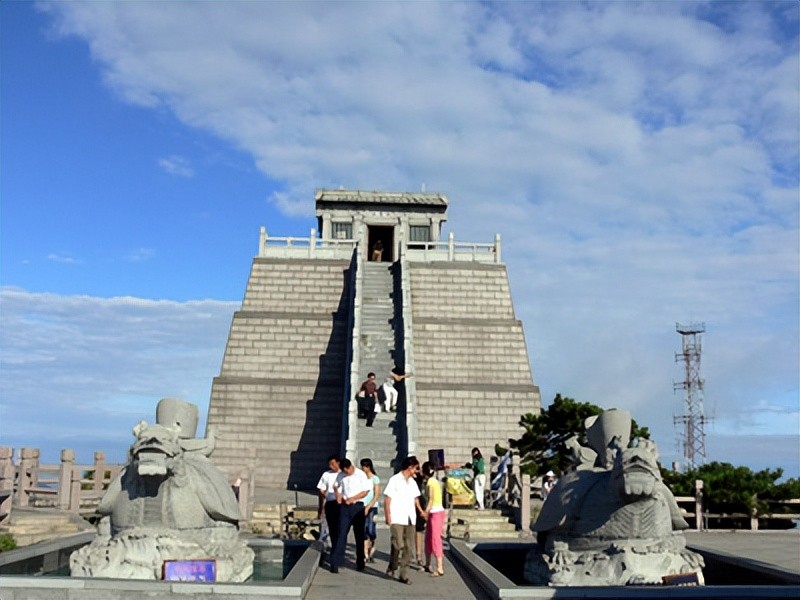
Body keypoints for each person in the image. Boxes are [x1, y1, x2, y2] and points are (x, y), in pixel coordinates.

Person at [383, 456, 423, 584]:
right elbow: (387, 499)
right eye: (415, 468)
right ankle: (392, 565)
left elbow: (416, 499)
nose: (416, 471)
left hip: (410, 518)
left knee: (408, 547)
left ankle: (403, 574)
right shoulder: (394, 480)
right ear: (410, 467)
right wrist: (387, 515)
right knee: (398, 544)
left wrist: (421, 511)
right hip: (397, 517)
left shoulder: (412, 482)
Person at [329, 459, 371, 573]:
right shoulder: (341, 475)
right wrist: (338, 496)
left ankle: (360, 562)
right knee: (341, 533)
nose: (347, 473)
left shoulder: (360, 475)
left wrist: (353, 498)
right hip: (345, 507)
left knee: (359, 535)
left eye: (347, 470)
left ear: (350, 467)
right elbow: (336, 486)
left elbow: (365, 491)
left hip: (357, 506)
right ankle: (335, 562)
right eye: (344, 471)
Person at [421, 461, 445, 576]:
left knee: (435, 539)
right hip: (433, 512)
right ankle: (428, 563)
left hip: (436, 512)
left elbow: (431, 499)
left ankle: (440, 567)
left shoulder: (431, 482)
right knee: (428, 538)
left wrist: (425, 511)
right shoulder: (433, 481)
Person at [316, 455, 342, 556]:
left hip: (341, 503)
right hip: (330, 502)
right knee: (328, 526)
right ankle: (328, 546)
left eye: (332, 464)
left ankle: (337, 547)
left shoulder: (343, 474)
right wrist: (321, 506)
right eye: (329, 464)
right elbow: (321, 490)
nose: (331, 466)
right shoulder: (326, 475)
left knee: (339, 527)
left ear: (338, 463)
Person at [360, 458, 381, 563]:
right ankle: (365, 554)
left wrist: (369, 506)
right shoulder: (361, 478)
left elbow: (376, 495)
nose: (363, 468)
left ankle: (371, 548)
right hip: (362, 505)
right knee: (364, 529)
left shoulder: (375, 479)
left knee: (371, 530)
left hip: (372, 506)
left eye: (364, 466)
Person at [413, 461, 427, 571]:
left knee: (419, 530)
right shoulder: (407, 479)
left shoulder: (420, 478)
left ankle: (418, 556)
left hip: (419, 505)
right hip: (410, 506)